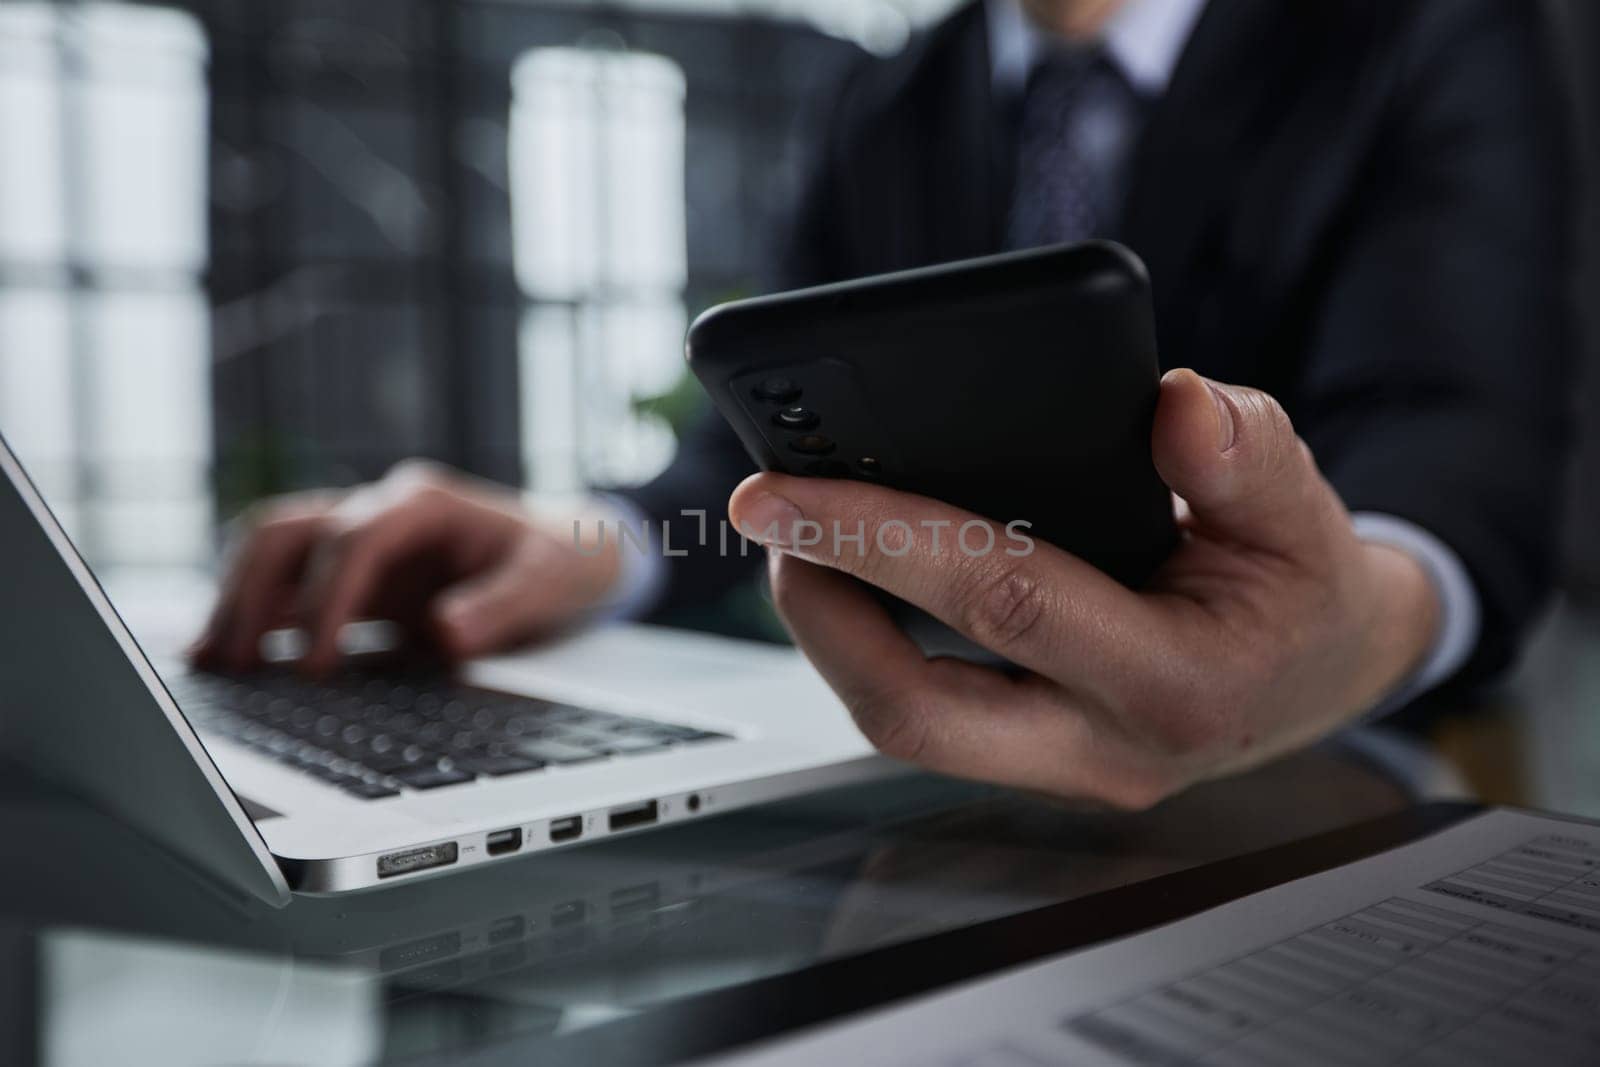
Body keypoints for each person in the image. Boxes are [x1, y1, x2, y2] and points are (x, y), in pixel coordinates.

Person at [192, 0, 1578, 807]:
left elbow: (1466, 439)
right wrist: (591, 539)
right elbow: (755, 474)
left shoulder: (1423, 30)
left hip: (1336, 776)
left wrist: (1362, 621)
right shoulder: (892, 99)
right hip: (941, 787)